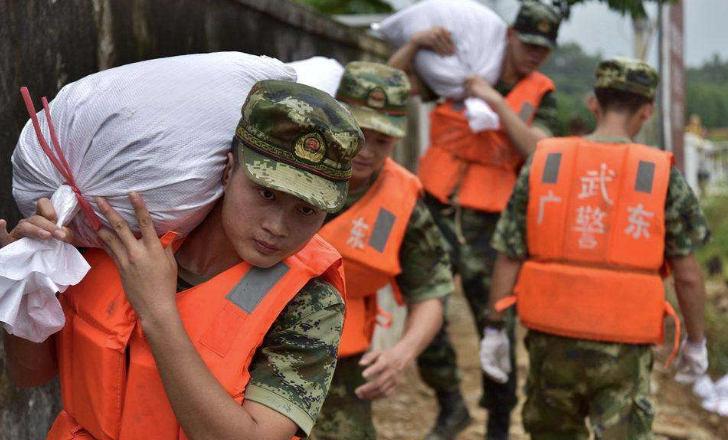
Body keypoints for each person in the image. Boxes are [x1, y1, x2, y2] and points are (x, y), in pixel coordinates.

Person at [1, 80, 364, 440]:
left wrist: (158, 313)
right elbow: (30, 374)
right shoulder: (112, 234)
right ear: (228, 170)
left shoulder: (310, 302)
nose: (278, 227)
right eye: (265, 193)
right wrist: (21, 279)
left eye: (305, 209)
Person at [481, 57, 711, 439]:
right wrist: (696, 342)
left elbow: (509, 254)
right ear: (647, 110)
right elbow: (687, 275)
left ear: (593, 103)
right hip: (624, 347)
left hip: (551, 342)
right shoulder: (659, 173)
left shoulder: (545, 161)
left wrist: (493, 328)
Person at [388, 2, 562, 439]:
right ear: (510, 35)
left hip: (495, 224)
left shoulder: (541, 91)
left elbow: (539, 152)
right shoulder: (459, 67)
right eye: (529, 42)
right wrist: (415, 43)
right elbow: (386, 86)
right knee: (424, 308)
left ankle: (499, 424)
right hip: (438, 207)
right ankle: (451, 405)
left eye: (545, 47)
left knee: (496, 326)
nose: (535, 53)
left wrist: (496, 102)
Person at [310, 61, 454, 440]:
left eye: (382, 141)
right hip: (254, 342)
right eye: (358, 132)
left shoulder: (403, 201)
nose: (367, 151)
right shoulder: (292, 162)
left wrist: (402, 354)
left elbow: (432, 292)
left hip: (339, 360)